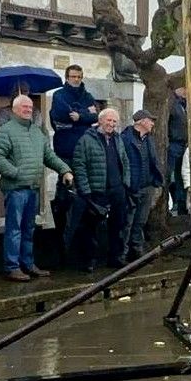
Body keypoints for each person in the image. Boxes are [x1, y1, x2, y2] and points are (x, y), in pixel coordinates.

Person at [0, 96, 73, 281]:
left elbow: (49, 156)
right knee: (14, 229)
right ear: (15, 109)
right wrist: (15, 172)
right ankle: (12, 267)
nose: (28, 110)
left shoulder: (37, 132)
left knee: (29, 229)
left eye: (30, 107)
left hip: (33, 188)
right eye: (24, 107)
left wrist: (65, 170)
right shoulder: (5, 131)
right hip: (15, 188)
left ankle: (28, 264)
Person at [70, 108, 131, 271]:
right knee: (91, 228)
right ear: (100, 120)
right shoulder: (86, 140)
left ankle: (115, 258)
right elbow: (79, 165)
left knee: (117, 226)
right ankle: (89, 261)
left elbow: (125, 161)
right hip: (97, 190)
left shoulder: (118, 140)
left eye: (114, 122)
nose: (111, 124)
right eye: (108, 120)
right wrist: (85, 190)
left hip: (117, 189)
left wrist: (126, 183)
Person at [50, 64, 99, 238]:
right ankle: (61, 228)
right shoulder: (59, 95)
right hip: (66, 150)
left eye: (79, 76)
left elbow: (96, 117)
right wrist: (85, 115)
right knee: (65, 188)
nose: (76, 79)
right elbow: (61, 115)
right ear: (67, 77)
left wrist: (80, 116)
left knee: (84, 190)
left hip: (85, 150)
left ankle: (80, 227)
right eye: (73, 76)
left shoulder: (88, 96)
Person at [123, 109, 165, 260]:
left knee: (141, 220)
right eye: (150, 120)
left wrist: (156, 181)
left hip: (147, 186)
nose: (153, 123)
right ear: (140, 121)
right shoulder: (125, 139)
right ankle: (125, 252)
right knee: (128, 221)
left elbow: (153, 161)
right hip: (132, 187)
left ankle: (137, 248)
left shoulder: (149, 140)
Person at [167, 86, 189, 216]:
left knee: (182, 175)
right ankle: (174, 202)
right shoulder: (172, 103)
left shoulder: (183, 104)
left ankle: (181, 204)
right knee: (170, 175)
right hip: (174, 143)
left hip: (183, 144)